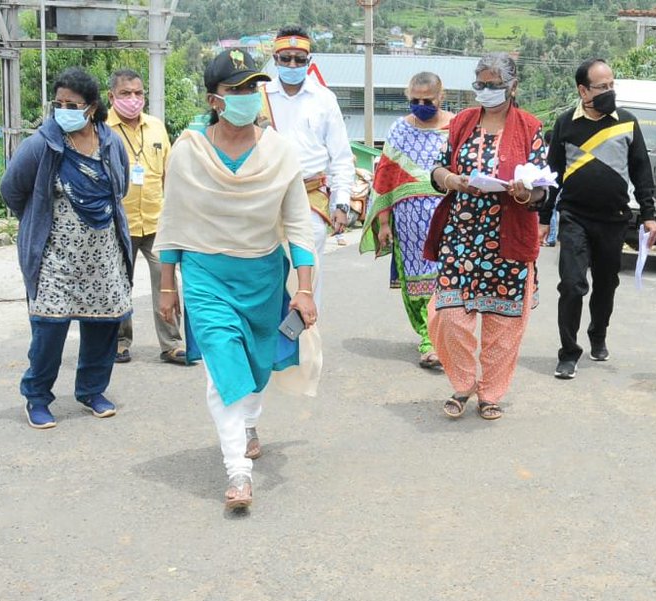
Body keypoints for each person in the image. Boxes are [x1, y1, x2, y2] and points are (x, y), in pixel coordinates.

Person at [154, 50, 318, 510]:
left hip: (263, 276)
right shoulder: (189, 150)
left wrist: (303, 289)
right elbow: (174, 220)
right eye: (237, 90)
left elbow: (298, 225)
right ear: (215, 99)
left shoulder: (279, 152)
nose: (248, 97)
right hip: (206, 274)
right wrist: (168, 286)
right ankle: (239, 475)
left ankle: (248, 422)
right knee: (224, 367)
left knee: (255, 366)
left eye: (253, 88)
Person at [0, 67, 132, 429]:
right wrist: (36, 219)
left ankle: (92, 391)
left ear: (91, 108)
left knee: (103, 327)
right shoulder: (42, 144)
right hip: (55, 259)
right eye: (58, 103)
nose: (63, 110)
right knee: (49, 331)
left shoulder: (110, 142)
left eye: (71, 104)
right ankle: (37, 397)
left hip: (103, 255)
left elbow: (120, 188)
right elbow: (12, 189)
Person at [424, 53, 548, 421]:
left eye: (493, 85)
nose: (486, 91)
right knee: (451, 316)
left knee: (502, 322)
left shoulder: (529, 127)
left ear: (512, 86)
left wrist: (526, 192)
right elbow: (439, 168)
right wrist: (451, 180)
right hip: (461, 234)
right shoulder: (462, 122)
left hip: (506, 237)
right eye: (480, 84)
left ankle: (491, 392)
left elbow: (543, 185)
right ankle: (462, 383)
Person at [541, 57, 656, 380]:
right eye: (601, 86)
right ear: (583, 90)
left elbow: (641, 171)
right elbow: (552, 176)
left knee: (606, 284)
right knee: (572, 285)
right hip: (574, 217)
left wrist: (649, 215)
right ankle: (568, 353)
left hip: (615, 219)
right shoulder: (566, 124)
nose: (609, 91)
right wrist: (542, 218)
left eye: (611, 85)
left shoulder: (627, 122)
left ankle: (598, 333)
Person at [359, 71, 453, 369]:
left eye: (428, 100)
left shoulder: (458, 127)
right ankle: (429, 339)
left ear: (441, 97)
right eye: (415, 100)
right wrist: (384, 223)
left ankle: (448, 338)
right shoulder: (400, 130)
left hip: (451, 219)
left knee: (448, 281)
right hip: (408, 224)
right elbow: (384, 178)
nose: (421, 105)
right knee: (418, 282)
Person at [261, 25, 354, 304]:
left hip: (309, 198)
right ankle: (270, 343)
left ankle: (306, 342)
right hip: (265, 197)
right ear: (275, 59)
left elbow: (340, 156)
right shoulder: (259, 96)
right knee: (266, 273)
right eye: (286, 58)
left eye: (299, 59)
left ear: (309, 61)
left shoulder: (324, 99)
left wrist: (341, 203)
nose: (292, 64)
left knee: (308, 277)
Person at [106, 68, 184, 366]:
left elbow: (168, 174)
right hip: (118, 224)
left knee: (166, 282)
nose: (133, 99)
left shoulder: (156, 127)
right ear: (112, 96)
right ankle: (119, 342)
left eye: (138, 93)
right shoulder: (103, 129)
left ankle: (172, 344)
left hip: (156, 222)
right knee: (118, 283)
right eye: (126, 94)